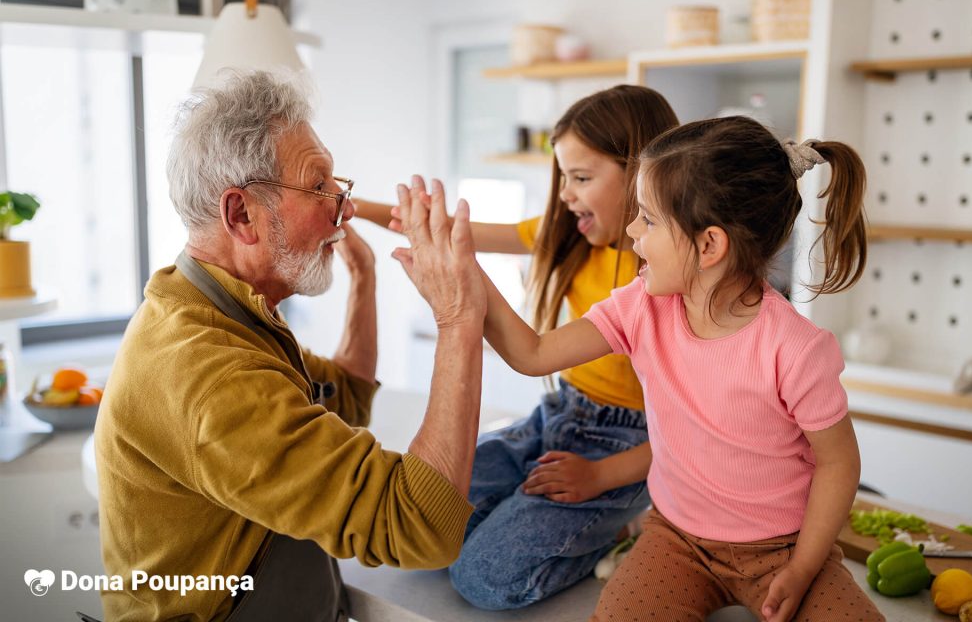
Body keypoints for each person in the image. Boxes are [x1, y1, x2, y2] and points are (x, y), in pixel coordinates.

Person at [402, 116, 886, 621]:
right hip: (676, 541)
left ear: (708, 246)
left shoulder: (796, 348)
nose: (632, 231)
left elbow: (838, 463)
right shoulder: (641, 307)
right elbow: (533, 354)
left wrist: (805, 566)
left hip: (784, 547)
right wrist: (464, 270)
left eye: (649, 220)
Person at [94, 70, 486, 622]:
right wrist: (459, 318)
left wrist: (365, 280)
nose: (344, 208)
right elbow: (418, 524)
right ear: (241, 215)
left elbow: (344, 397)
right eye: (318, 185)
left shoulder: (216, 311)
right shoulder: (210, 374)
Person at [359, 85, 679, 609]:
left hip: (628, 451)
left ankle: (624, 530)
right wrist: (349, 207)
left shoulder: (667, 283)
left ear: (645, 176)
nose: (565, 195)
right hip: (554, 418)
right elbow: (453, 231)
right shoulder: (571, 235)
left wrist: (600, 476)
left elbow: (690, 430)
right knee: (420, 529)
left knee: (481, 578)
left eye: (580, 178)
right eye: (562, 178)